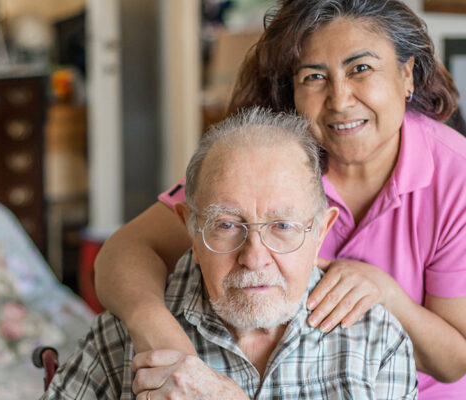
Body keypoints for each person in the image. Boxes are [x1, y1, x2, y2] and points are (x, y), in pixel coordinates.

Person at [94, 0, 466, 398]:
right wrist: (169, 344)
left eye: (361, 68)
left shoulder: (455, 176)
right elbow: (121, 253)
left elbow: (455, 360)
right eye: (313, 77)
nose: (340, 100)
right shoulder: (264, 163)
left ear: (406, 75)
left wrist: (386, 293)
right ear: (291, 92)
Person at [42, 109, 418, 400]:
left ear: (320, 231)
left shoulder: (375, 340)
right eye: (226, 225)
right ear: (190, 227)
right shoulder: (123, 334)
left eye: (282, 226)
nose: (254, 258)